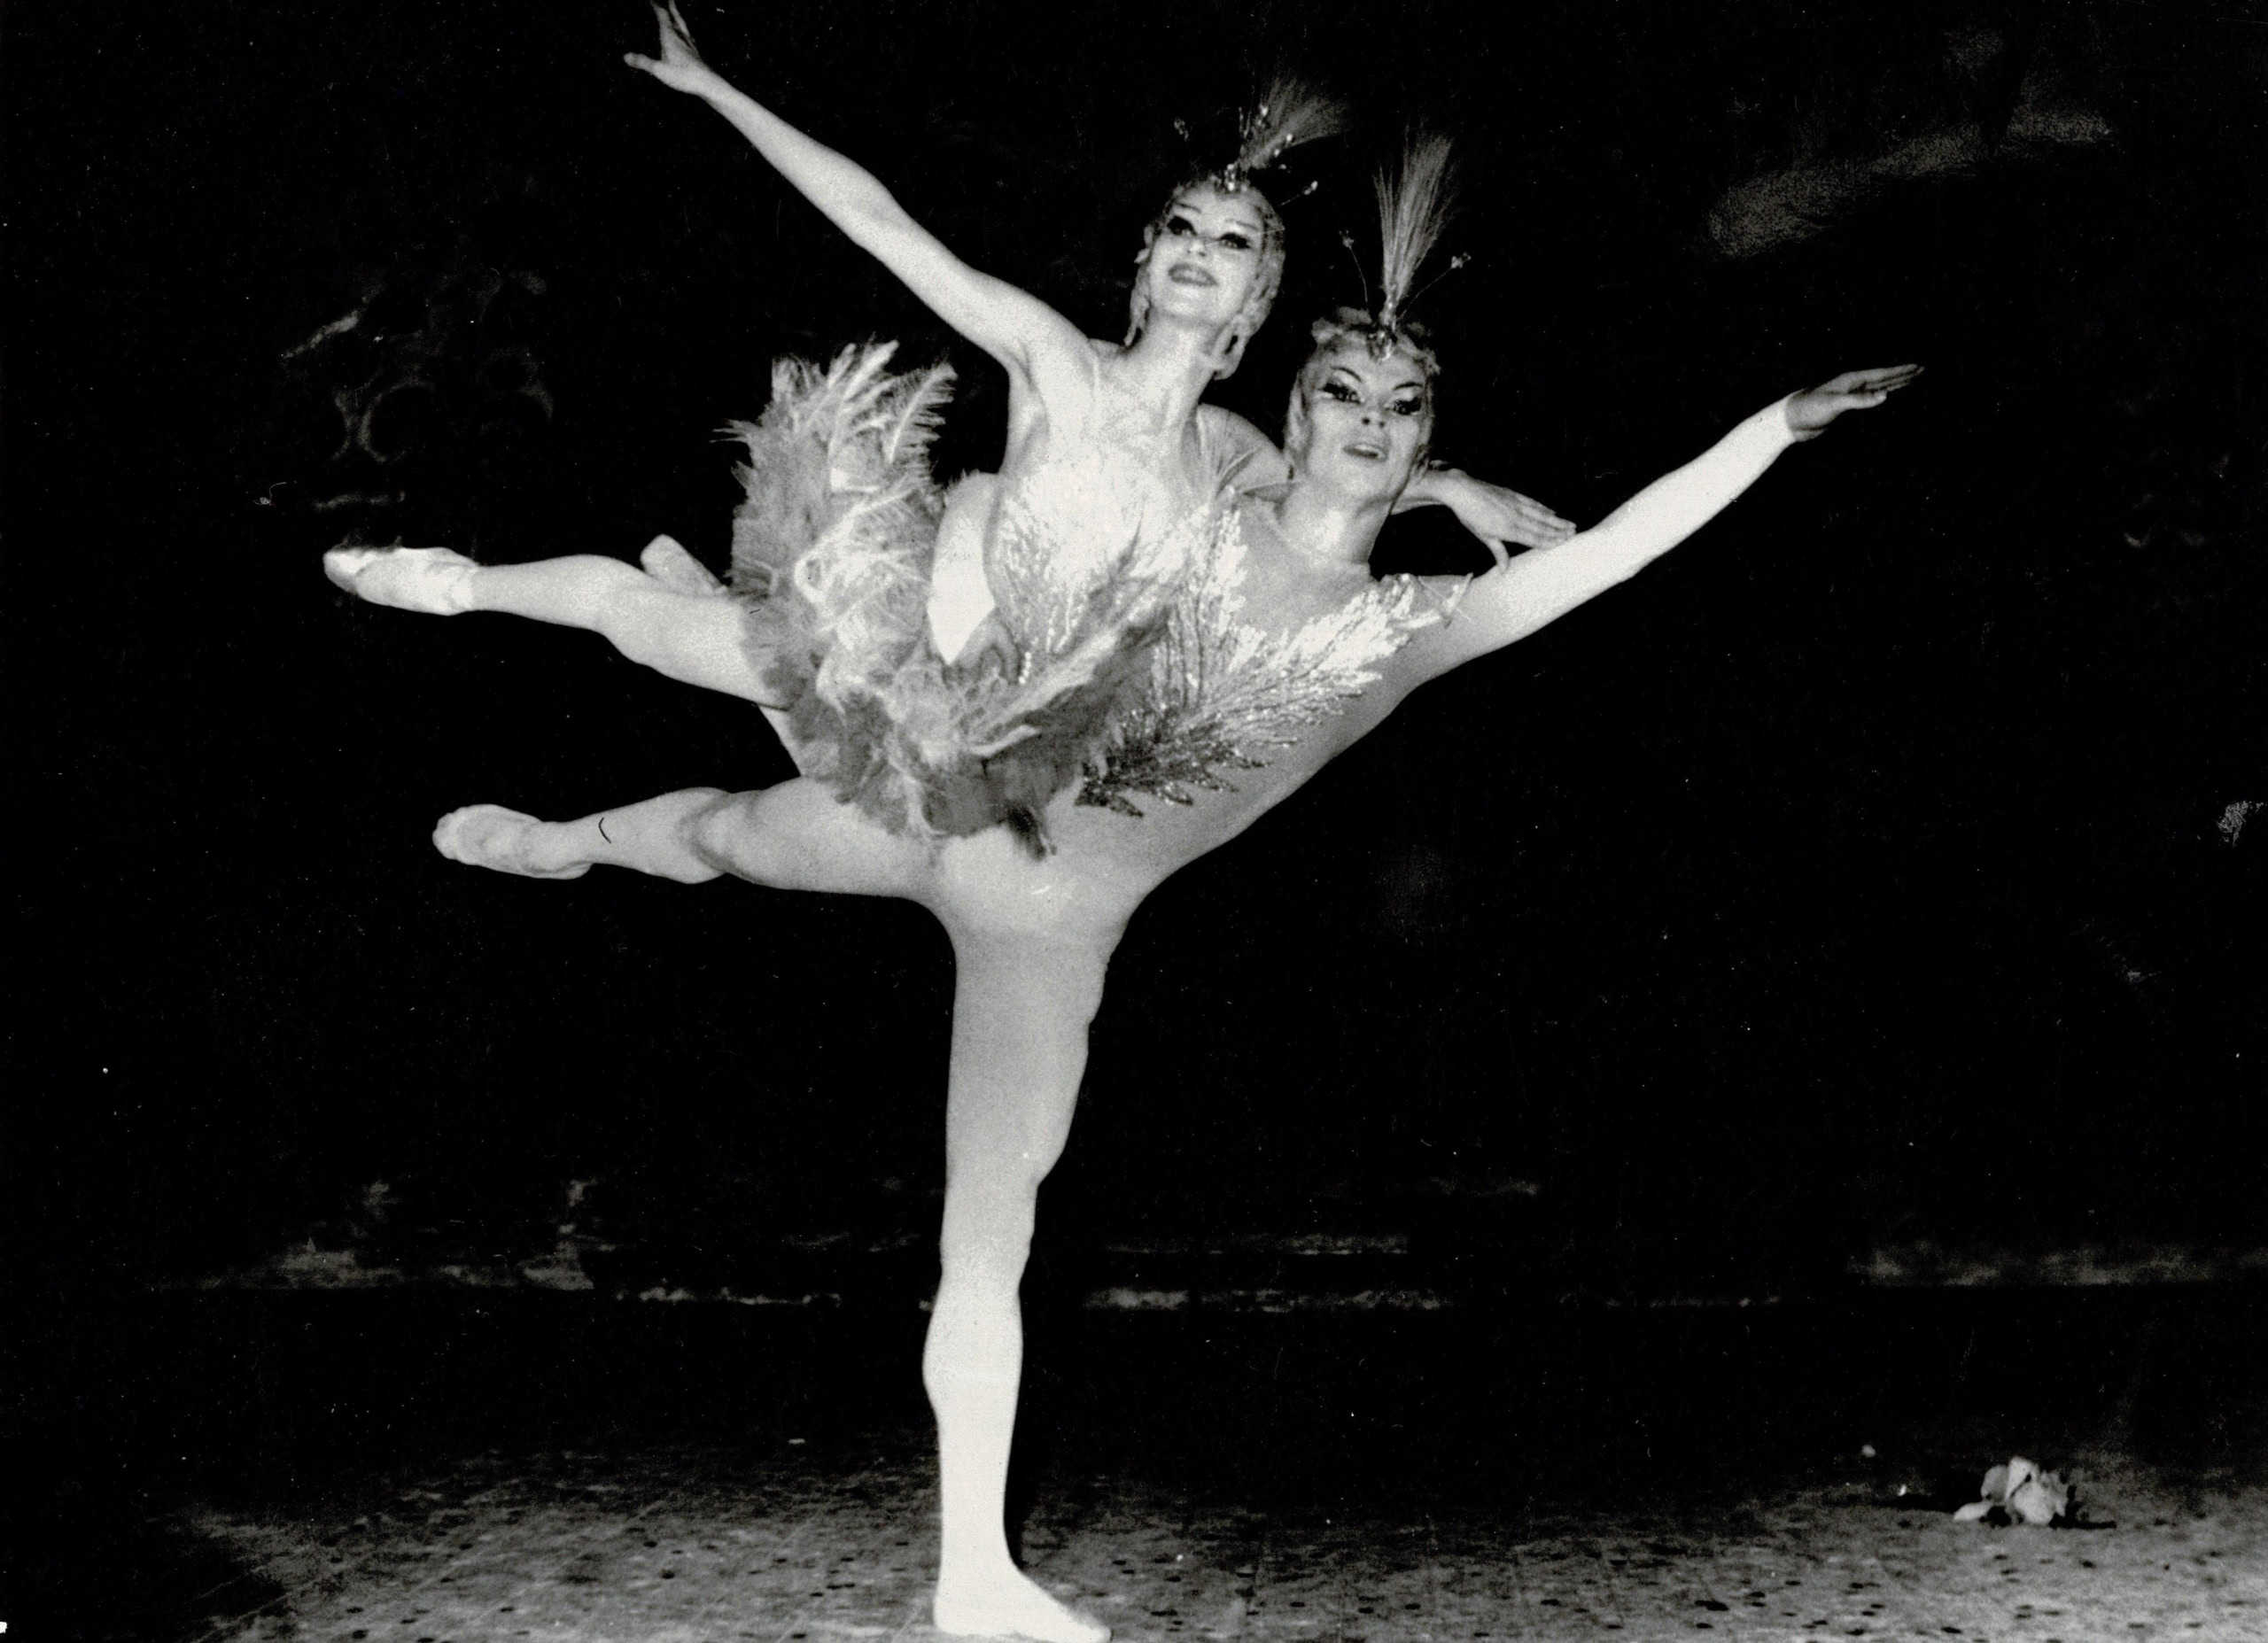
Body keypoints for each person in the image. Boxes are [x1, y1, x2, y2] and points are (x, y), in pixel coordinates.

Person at [347, 129, 1916, 1637]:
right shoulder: (1200, 503)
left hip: (1059, 922)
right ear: (1288, 417)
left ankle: (973, 1576)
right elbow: (1051, 427)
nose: (1371, 420)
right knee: (718, 831)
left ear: (1432, 432)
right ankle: (564, 794)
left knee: (992, 1232)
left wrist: (1770, 429)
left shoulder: (1421, 629)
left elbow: (1614, 553)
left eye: (1407, 405)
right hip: (943, 795)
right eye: (1342, 391)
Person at [324, 4, 1572, 778]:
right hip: (905, 655)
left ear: (1255, 305)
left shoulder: (1236, 447)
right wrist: (718, 92)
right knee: (634, 627)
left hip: (1022, 739)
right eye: (1181, 226)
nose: (1200, 246)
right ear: (1145, 267)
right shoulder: (1054, 359)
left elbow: (1336, 484)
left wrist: (1455, 483)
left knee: (824, 813)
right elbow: (884, 225)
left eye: (1234, 242)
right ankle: (451, 580)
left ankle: (686, 593)